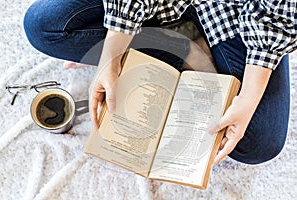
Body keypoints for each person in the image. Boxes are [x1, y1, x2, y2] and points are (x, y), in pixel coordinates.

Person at [23, 0, 297, 164]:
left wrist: (249, 96)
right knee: (43, 26)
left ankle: (183, 45)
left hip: (241, 15)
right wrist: (112, 51)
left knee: (260, 143)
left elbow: (278, 14)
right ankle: (184, 47)